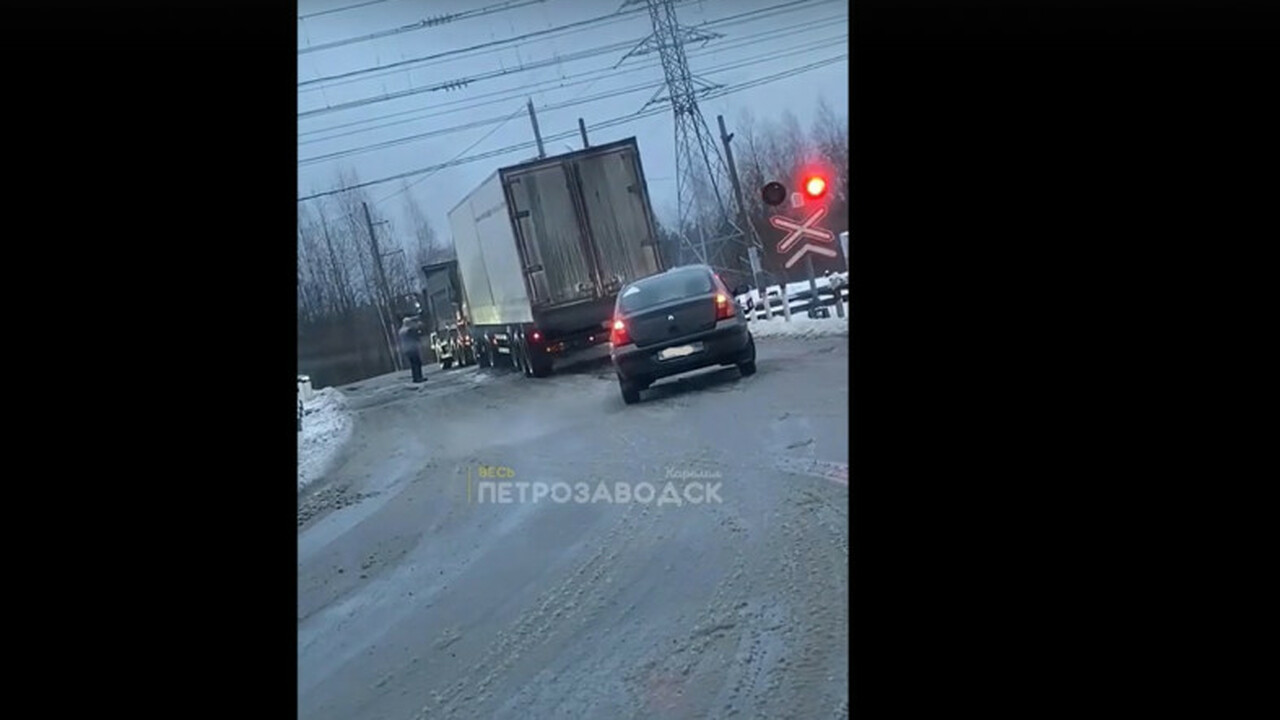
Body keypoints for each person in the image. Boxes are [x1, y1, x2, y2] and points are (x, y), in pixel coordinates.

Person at [398, 316, 427, 383]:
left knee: (413, 364)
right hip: (412, 348)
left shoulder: (401, 331)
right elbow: (416, 336)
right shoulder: (409, 330)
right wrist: (419, 327)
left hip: (406, 349)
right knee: (417, 363)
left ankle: (416, 377)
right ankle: (418, 377)